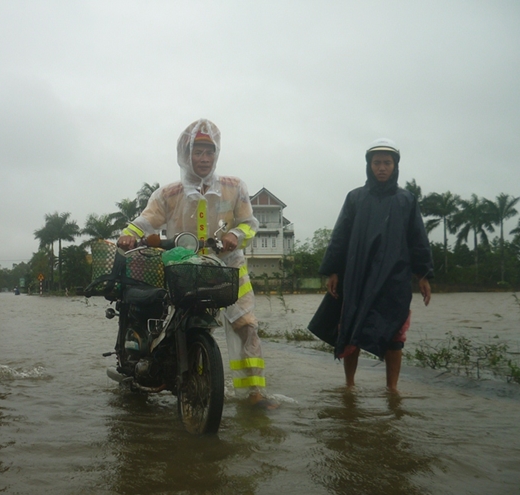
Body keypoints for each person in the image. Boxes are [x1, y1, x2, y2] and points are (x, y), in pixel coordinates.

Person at [118, 119, 275, 408]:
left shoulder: (234, 187)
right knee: (173, 321)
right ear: (185, 155)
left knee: (247, 326)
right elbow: (147, 219)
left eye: (209, 152)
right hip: (184, 268)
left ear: (216, 155)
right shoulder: (169, 193)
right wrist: (129, 235)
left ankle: (253, 394)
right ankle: (167, 369)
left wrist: (234, 234)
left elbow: (250, 224)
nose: (204, 159)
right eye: (197, 152)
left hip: (229, 269)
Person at [308, 138, 433, 393]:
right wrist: (333, 271)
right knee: (352, 326)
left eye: (387, 163)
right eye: (377, 163)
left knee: (394, 332)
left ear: (395, 166)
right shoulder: (355, 198)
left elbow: (417, 238)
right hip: (357, 275)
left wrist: (423, 275)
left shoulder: (407, 200)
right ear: (369, 165)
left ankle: (392, 389)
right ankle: (350, 386)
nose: (382, 168)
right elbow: (340, 235)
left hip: (394, 278)